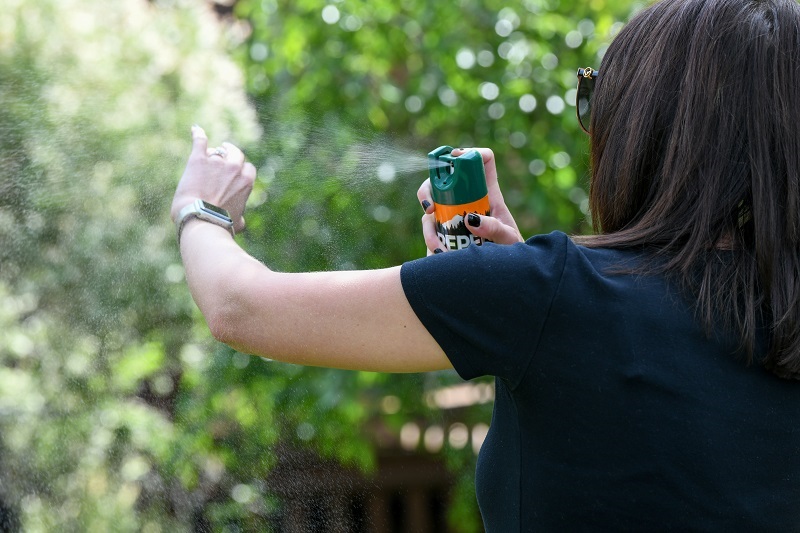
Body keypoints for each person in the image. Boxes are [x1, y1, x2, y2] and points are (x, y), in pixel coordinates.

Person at [170, 0, 800, 529]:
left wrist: (202, 209)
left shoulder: (546, 295)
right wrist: (521, 282)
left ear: (648, 124)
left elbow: (238, 307)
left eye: (597, 98)